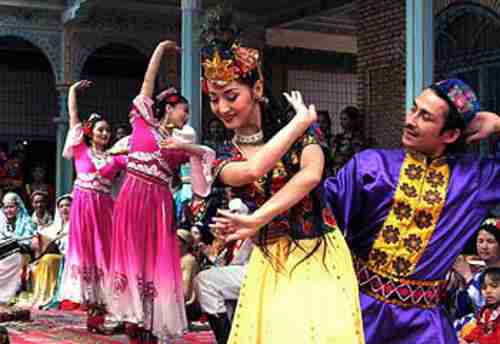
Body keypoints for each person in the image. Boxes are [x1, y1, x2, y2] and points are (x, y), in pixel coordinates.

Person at [200, 9, 364, 344]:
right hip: (269, 260)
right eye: (214, 99)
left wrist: (255, 219)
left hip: (317, 251)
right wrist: (297, 125)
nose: (222, 107)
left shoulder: (301, 127)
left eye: (232, 96)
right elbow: (253, 170)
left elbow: (311, 175)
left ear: (257, 87)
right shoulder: (224, 155)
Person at [324, 78, 500, 344]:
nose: (410, 120)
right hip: (356, 314)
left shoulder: (473, 180)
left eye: (425, 116)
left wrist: (498, 123)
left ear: (450, 135)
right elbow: (318, 214)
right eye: (413, 109)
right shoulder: (371, 166)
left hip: (423, 329)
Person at [107, 40, 214, 343]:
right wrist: (160, 49)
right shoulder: (143, 123)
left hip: (159, 203)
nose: (187, 115)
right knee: (133, 255)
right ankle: (132, 319)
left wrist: (189, 147)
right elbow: (147, 82)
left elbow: (203, 174)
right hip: (132, 197)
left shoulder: (181, 143)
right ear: (168, 108)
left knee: (156, 260)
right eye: (184, 109)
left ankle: (151, 323)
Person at [61, 80, 127, 332]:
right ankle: (94, 315)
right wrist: (72, 92)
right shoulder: (80, 150)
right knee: (88, 256)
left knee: (106, 258)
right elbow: (73, 118)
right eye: (100, 130)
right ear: (91, 132)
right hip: (83, 211)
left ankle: (103, 315)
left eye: (107, 131)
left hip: (104, 211)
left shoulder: (115, 158)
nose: (104, 134)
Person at [18, 194, 73, 308]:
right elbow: (43, 236)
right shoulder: (56, 226)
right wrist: (37, 239)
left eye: (68, 205)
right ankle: (37, 295)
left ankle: (46, 296)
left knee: (48, 259)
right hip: (53, 256)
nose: (64, 208)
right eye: (61, 206)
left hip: (68, 258)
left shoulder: (75, 225)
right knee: (31, 260)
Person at [452, 218, 500, 330]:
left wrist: (467, 276)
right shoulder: (479, 272)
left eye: (490, 241)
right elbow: (460, 309)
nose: (484, 246)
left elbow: (486, 308)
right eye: (480, 241)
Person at [0, 192, 38, 303]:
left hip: (22, 255)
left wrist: (13, 241)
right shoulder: (2, 223)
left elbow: (28, 242)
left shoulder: (27, 222)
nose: (8, 210)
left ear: (18, 207)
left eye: (11, 207)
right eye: (5, 207)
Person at [459, 267, 500, 344]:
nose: (488, 291)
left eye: (494, 286)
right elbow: (478, 330)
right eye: (484, 287)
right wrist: (466, 340)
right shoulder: (487, 311)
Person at [331, 106, 365, 174]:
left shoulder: (358, 139)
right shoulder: (338, 138)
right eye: (341, 119)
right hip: (336, 171)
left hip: (349, 173)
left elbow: (357, 159)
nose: (341, 122)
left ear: (353, 121)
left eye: (345, 119)